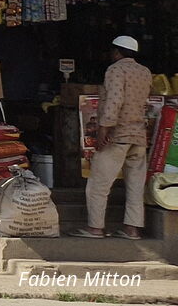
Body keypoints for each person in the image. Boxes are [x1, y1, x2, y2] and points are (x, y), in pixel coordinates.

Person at [78, 35, 153, 239]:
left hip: (118, 135)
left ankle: (95, 228)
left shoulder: (115, 70)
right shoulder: (145, 72)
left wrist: (104, 129)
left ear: (117, 52)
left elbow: (115, 100)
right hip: (139, 135)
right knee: (135, 186)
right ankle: (132, 228)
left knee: (99, 184)